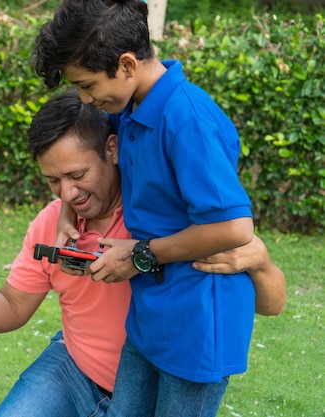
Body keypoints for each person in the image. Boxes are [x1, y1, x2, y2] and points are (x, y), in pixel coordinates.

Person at [0, 90, 285, 417]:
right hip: (74, 365)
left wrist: (261, 261)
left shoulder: (164, 220)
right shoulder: (51, 224)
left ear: (113, 149)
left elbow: (273, 303)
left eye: (77, 176)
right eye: (53, 181)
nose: (68, 193)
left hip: (156, 381)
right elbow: (12, 304)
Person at [33, 0, 273, 415]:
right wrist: (70, 211)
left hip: (197, 325)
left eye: (87, 85)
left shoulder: (187, 118)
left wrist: (141, 255)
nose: (86, 101)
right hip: (149, 317)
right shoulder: (129, 108)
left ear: (126, 65)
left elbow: (234, 228)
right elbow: (89, 165)